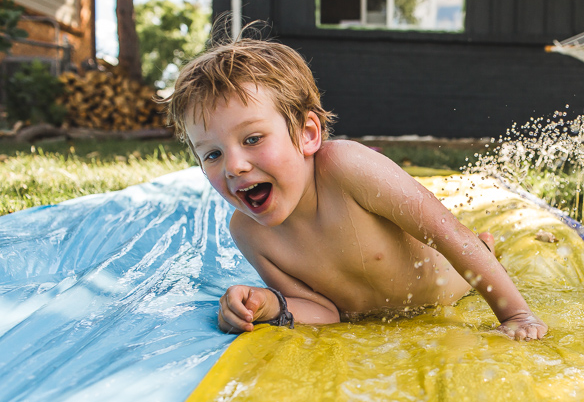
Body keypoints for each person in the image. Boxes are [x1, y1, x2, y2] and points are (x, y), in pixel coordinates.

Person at [165, 38, 547, 341]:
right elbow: (325, 312)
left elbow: (447, 233)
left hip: (448, 281)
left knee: (465, 249)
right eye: (212, 154)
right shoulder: (249, 232)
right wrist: (269, 305)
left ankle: (485, 250)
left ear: (307, 134)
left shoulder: (346, 168)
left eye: (252, 138)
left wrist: (516, 314)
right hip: (376, 312)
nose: (234, 166)